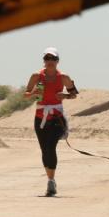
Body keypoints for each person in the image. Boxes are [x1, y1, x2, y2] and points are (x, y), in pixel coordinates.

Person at [23, 47, 78, 196]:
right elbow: (25, 95)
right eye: (47, 58)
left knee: (51, 147)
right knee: (44, 149)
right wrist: (34, 92)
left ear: (57, 61)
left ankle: (51, 182)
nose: (50, 61)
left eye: (53, 59)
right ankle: (50, 179)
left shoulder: (64, 77)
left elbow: (74, 94)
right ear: (44, 61)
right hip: (40, 117)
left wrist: (65, 96)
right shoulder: (36, 76)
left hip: (56, 117)